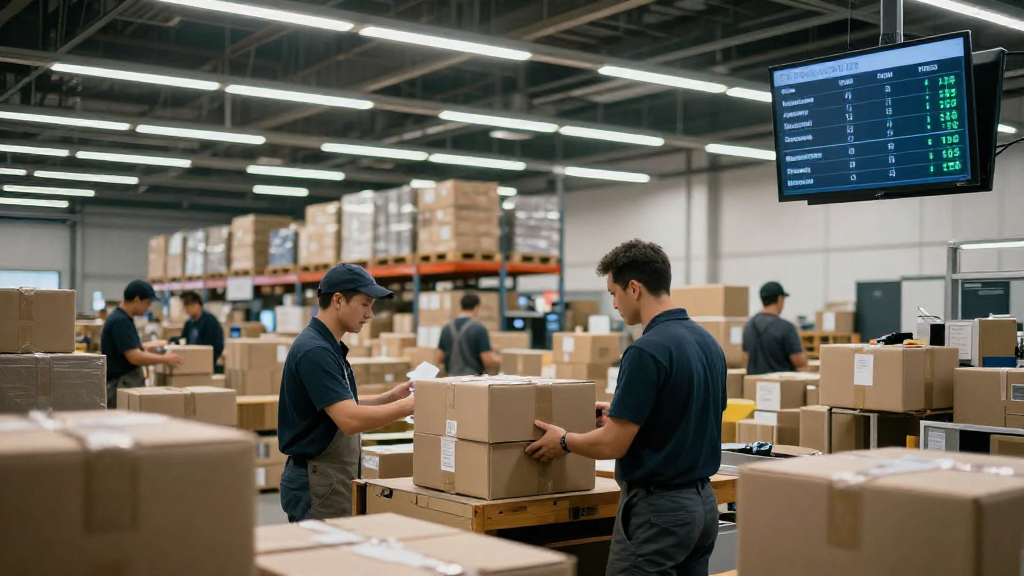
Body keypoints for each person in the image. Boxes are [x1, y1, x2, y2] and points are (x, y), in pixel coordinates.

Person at [526, 239, 726, 576]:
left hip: (659, 511)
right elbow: (691, 413)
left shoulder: (646, 351)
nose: (614, 305)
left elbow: (611, 444)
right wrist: (623, 413)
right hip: (703, 506)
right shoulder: (708, 342)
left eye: (613, 293)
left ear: (634, 289)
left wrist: (563, 441)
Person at [278, 264, 415, 521]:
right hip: (318, 482)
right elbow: (349, 419)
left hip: (328, 476)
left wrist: (391, 398)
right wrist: (410, 407)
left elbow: (337, 406)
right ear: (338, 300)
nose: (370, 314)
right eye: (365, 304)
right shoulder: (315, 350)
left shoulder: (328, 345)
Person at [101, 280, 184, 408]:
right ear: (137, 299)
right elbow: (134, 356)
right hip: (121, 385)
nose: (148, 308)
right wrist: (166, 358)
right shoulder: (120, 322)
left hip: (122, 385)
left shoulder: (121, 318)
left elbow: (125, 347)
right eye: (147, 303)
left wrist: (149, 345)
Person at [742, 281, 808, 375]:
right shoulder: (786, 328)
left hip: (754, 386)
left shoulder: (749, 326)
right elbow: (800, 364)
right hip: (782, 387)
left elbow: (745, 358)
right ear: (780, 299)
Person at [435, 292, 501, 376]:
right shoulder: (479, 329)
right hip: (472, 380)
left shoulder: (447, 328)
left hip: (451, 379)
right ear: (476, 307)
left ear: (461, 306)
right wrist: (500, 359)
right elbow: (487, 360)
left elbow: (439, 357)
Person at [174, 291, 225, 372]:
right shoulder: (189, 324)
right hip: (191, 364)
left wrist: (209, 360)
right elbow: (184, 340)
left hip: (207, 365)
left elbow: (217, 345)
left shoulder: (210, 321)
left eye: (187, 305)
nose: (184, 310)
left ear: (196, 304)